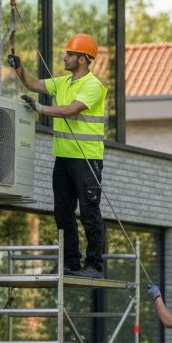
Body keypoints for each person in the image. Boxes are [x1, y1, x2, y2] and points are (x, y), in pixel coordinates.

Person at [15, 33, 108, 278]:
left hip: (87, 160)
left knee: (89, 212)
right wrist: (20, 69)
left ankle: (95, 266)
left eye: (70, 54)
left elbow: (70, 110)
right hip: (63, 159)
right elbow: (34, 84)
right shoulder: (63, 83)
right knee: (62, 212)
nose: (64, 57)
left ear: (83, 59)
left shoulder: (93, 86)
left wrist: (40, 108)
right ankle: (70, 263)